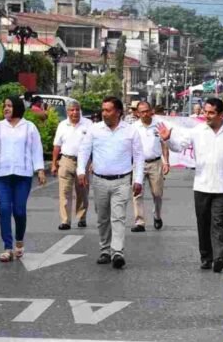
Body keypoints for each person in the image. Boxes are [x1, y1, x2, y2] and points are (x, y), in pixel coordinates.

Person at [157, 97, 223, 273]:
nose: (207, 115)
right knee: (203, 223)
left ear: (221, 114)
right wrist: (167, 140)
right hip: (201, 185)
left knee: (218, 223)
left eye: (211, 113)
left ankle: (219, 257)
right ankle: (206, 256)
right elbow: (178, 146)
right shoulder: (197, 130)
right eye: (205, 112)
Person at [0, 96, 46, 262]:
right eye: (4, 106)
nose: (6, 108)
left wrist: (40, 170)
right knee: (5, 209)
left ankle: (19, 241)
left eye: (9, 105)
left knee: (19, 210)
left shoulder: (29, 127)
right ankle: (7, 247)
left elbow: (36, 150)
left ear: (17, 107)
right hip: (1, 175)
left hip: (23, 175)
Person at [77, 96, 144, 269]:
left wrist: (138, 179)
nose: (104, 113)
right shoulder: (94, 129)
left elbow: (138, 156)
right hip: (99, 180)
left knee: (119, 217)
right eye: (103, 110)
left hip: (122, 181)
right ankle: (105, 250)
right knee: (103, 218)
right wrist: (80, 171)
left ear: (118, 112)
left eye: (108, 110)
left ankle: (117, 252)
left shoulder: (130, 131)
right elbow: (84, 150)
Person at [52, 100, 92, 230]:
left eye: (77, 109)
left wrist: (94, 162)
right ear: (67, 112)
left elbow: (95, 145)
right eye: (72, 110)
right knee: (64, 192)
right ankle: (65, 221)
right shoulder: (62, 125)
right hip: (66, 160)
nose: (75, 112)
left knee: (82, 191)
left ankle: (81, 217)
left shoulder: (88, 124)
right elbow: (57, 145)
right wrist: (53, 163)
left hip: (83, 162)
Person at [132, 101, 169, 232]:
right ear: (137, 113)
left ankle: (157, 216)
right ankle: (139, 222)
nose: (145, 114)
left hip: (156, 163)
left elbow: (164, 144)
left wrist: (166, 162)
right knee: (137, 193)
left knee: (157, 194)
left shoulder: (158, 125)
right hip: (138, 164)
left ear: (151, 110)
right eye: (142, 112)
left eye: (147, 110)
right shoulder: (134, 127)